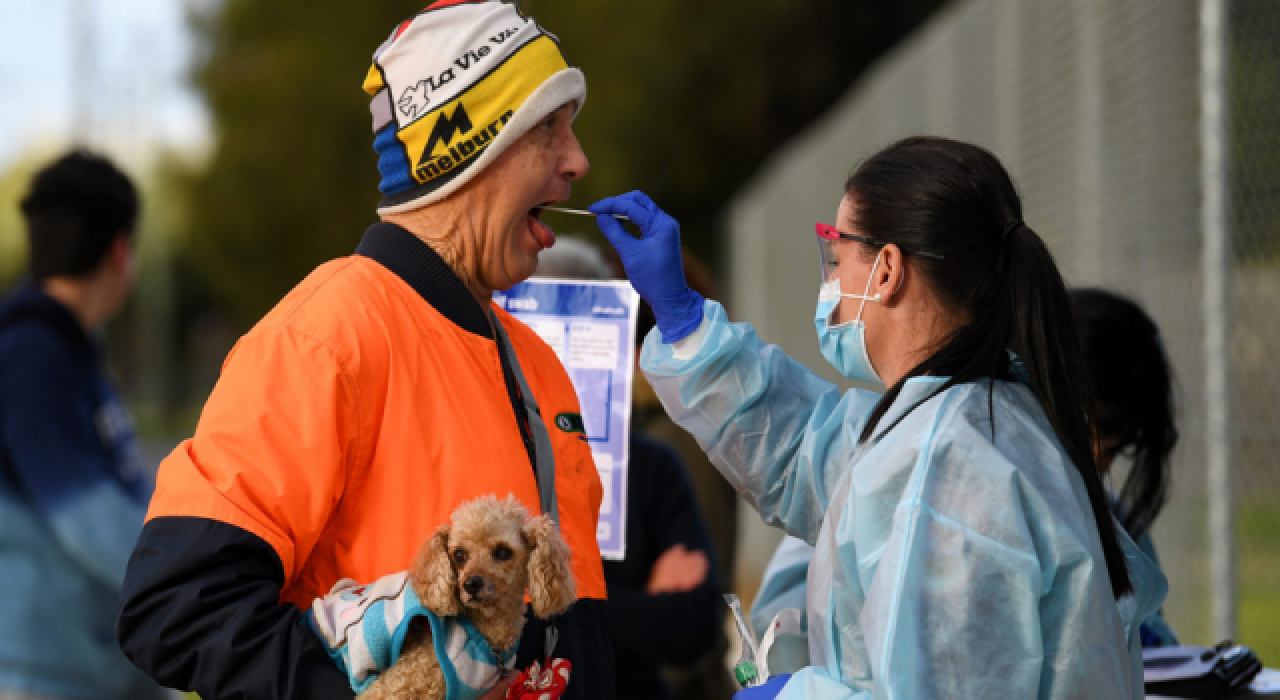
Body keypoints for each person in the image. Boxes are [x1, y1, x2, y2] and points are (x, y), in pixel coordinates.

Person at [116, 3, 612, 699]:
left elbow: (569, 623)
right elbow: (175, 607)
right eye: (549, 130)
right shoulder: (324, 338)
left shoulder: (533, 358)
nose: (578, 161)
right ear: (466, 146)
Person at [591, 136, 1167, 699]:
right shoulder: (970, 424)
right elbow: (804, 450)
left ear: (887, 270)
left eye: (837, 255)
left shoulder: (952, 475)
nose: (831, 281)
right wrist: (684, 319)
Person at [751, 288, 1186, 653]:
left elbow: (1152, 640)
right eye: (1087, 437)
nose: (1094, 465)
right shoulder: (903, 473)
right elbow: (783, 620)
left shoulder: (1110, 522)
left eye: (1113, 452)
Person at [0, 152, 168, 700]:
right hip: (47, 676)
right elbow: (87, 514)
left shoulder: (66, 353)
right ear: (121, 251)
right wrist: (188, 577)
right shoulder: (32, 356)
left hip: (96, 669)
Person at [534, 240, 727, 700]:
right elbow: (490, 620)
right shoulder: (490, 460)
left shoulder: (652, 465)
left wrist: (554, 608)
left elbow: (697, 622)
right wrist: (641, 606)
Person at [1072, 287, 1180, 648]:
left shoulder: (1120, 526)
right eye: (1096, 435)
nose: (1101, 463)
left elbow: (1160, 650)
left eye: (1118, 450)